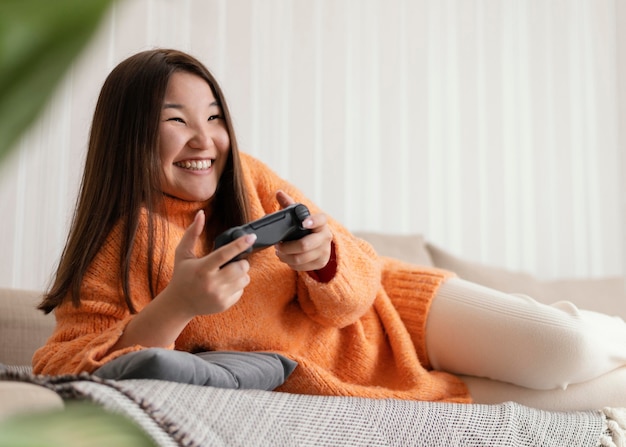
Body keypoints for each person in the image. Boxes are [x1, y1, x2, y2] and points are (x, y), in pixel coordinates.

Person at [32, 49, 626, 408]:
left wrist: (325, 259)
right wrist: (175, 306)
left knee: (566, 349)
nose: (204, 140)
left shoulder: (249, 179)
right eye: (176, 121)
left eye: (214, 118)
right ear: (126, 136)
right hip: (355, 381)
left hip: (399, 312)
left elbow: (358, 280)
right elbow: (65, 367)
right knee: (588, 402)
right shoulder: (114, 247)